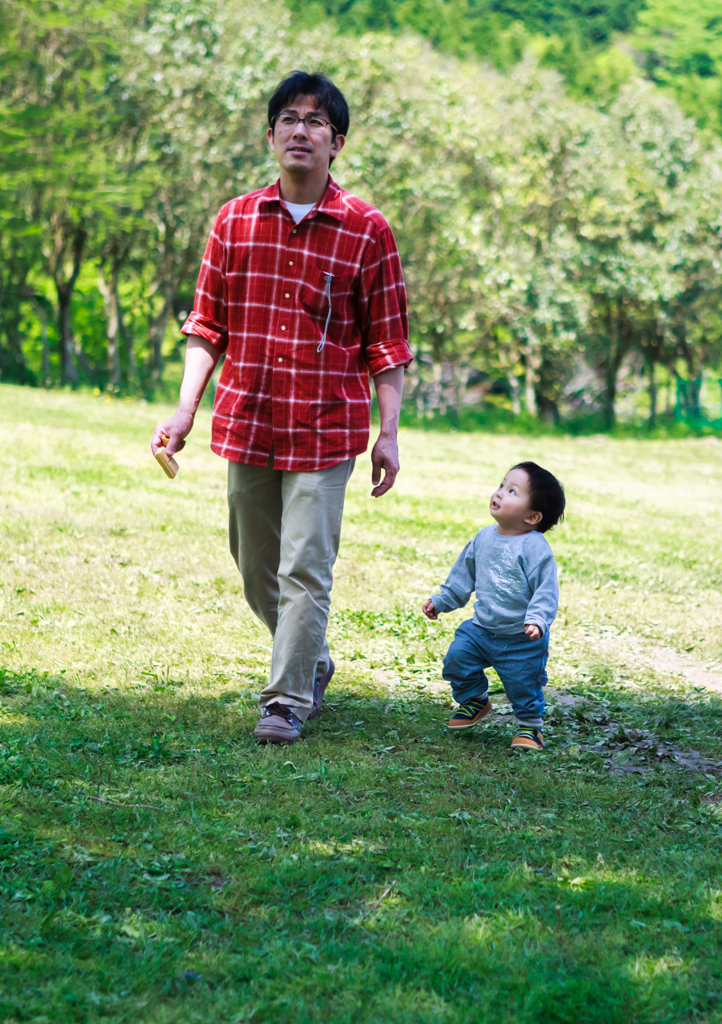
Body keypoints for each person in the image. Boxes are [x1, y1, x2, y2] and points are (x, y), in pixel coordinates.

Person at [151, 71, 412, 745]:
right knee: (254, 564)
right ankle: (312, 658)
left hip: (326, 429)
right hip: (250, 421)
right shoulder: (235, 219)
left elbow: (388, 344)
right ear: (272, 137)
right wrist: (185, 411)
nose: (301, 130)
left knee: (305, 567)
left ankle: (286, 701)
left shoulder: (366, 231)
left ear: (337, 143)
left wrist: (389, 434)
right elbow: (207, 326)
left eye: (316, 122)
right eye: (289, 119)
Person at [422, 462, 565, 750]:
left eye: (512, 491)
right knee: (457, 658)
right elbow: (462, 578)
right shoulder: (483, 538)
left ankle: (530, 727)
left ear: (533, 516)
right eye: (501, 485)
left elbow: (545, 591)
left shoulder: (535, 548)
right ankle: (475, 700)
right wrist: (442, 601)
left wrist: (537, 620)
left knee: (523, 684)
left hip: (520, 638)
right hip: (481, 629)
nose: (499, 493)